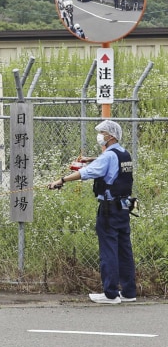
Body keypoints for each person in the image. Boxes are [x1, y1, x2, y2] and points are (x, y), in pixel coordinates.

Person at [48, 120, 136, 304]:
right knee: (124, 250)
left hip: (108, 209)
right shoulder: (123, 153)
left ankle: (110, 294)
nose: (101, 136)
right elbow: (108, 163)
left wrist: (61, 180)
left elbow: (86, 173)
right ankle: (128, 292)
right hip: (123, 208)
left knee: (109, 250)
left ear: (111, 136)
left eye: (103, 132)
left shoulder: (108, 156)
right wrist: (92, 159)